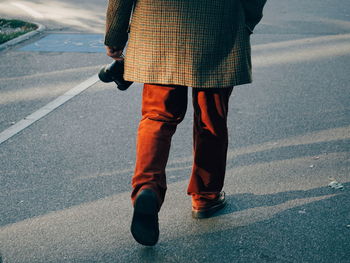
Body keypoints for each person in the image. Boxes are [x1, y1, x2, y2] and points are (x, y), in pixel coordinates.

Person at [104, 0, 266, 246]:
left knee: (157, 116)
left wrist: (115, 34)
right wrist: (246, 19)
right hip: (218, 24)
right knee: (211, 119)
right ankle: (206, 195)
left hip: (157, 27)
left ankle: (147, 187)